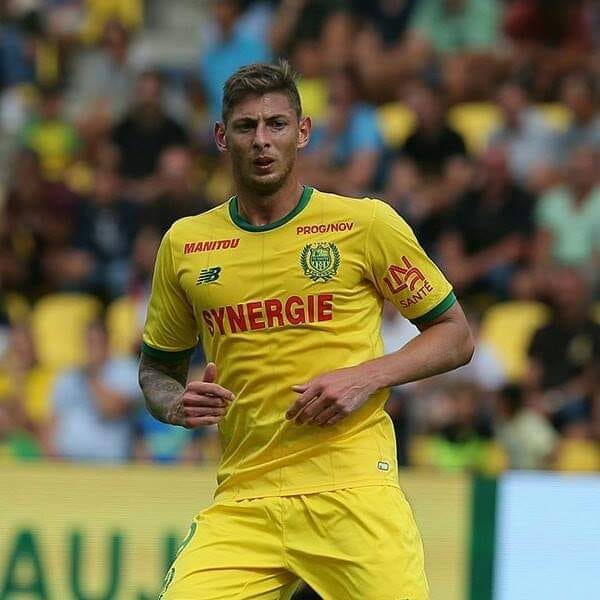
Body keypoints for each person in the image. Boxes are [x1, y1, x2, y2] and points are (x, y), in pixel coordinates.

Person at [139, 61, 474, 600]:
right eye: (246, 127)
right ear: (222, 138)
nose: (262, 141)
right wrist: (176, 403)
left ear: (303, 131)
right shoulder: (185, 243)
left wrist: (363, 378)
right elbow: (157, 368)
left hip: (353, 486)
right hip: (244, 496)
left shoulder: (364, 224)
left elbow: (455, 335)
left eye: (276, 124)